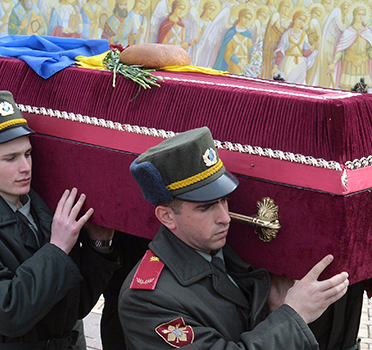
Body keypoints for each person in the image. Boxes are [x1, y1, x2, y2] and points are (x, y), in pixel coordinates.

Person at [119, 126, 349, 349]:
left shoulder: (226, 250)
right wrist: (293, 314)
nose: (225, 217)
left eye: (224, 200)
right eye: (206, 207)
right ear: (167, 216)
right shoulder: (147, 299)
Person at [0, 91, 120, 348]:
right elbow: (8, 312)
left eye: (27, 154)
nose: (25, 167)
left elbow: (76, 305)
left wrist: (99, 246)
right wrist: (57, 249)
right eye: (11, 158)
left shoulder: (48, 211)